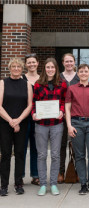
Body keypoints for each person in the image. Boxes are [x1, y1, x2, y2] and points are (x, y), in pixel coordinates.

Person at [65, 64, 89, 195]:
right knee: (80, 155)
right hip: (77, 124)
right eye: (81, 71)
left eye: (86, 71)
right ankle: (83, 183)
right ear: (78, 73)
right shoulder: (71, 89)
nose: (83, 73)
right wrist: (69, 126)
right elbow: (67, 109)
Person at [32, 57, 67, 196]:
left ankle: (53, 183)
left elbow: (64, 101)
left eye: (52, 67)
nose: (50, 69)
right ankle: (42, 184)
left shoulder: (62, 84)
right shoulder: (38, 84)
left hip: (56, 124)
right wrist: (34, 113)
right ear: (44, 69)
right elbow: (34, 102)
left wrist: (62, 111)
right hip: (41, 124)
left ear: (56, 69)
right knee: (41, 155)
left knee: (55, 154)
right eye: (48, 67)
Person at [0, 58, 33, 196]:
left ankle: (18, 183)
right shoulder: (2, 83)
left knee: (20, 153)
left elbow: (30, 105)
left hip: (22, 123)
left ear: (22, 69)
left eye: (18, 67)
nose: (15, 69)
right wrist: (11, 121)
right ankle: (4, 185)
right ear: (9, 68)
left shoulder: (27, 84)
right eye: (13, 66)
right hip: (4, 123)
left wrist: (18, 120)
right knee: (6, 154)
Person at [58, 53, 80, 184]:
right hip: (61, 116)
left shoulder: (79, 77)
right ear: (63, 62)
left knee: (76, 145)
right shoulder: (58, 77)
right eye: (66, 61)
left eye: (71, 61)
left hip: (76, 116)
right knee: (61, 145)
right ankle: (61, 172)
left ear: (74, 62)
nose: (69, 63)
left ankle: (76, 171)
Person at [22, 53, 40, 186]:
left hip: (39, 118)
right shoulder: (21, 79)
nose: (31, 64)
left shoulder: (42, 79)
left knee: (36, 148)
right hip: (23, 117)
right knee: (21, 147)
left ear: (38, 63)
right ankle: (20, 175)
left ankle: (35, 175)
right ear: (25, 64)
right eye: (29, 62)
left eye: (33, 62)